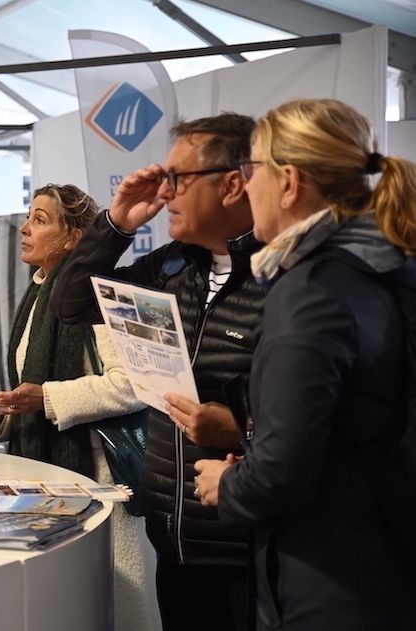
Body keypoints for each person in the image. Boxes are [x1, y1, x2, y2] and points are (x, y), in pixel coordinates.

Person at [194, 99, 416, 630]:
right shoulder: (387, 265)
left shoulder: (311, 291)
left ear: (289, 182)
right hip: (386, 562)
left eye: (253, 171)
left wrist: (227, 486)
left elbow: (283, 474)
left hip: (328, 581)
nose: (247, 187)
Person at [50, 113, 265, 631]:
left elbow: (331, 417)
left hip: (252, 549)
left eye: (180, 179)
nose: (166, 193)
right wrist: (117, 223)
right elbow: (70, 304)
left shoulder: (279, 277)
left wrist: (240, 430)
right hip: (175, 540)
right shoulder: (174, 266)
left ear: (233, 184)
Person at [0, 184, 159, 631]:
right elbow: (33, 393)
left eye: (40, 220)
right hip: (51, 479)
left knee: (116, 606)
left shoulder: (102, 291)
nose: (24, 229)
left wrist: (47, 397)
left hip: (102, 482)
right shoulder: (36, 295)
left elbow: (134, 385)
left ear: (73, 239)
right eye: (28, 218)